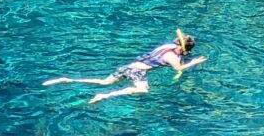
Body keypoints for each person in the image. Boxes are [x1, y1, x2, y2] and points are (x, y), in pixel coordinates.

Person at [42, 30, 205, 104]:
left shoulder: (167, 46)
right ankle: (105, 96)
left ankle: (67, 80)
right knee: (142, 90)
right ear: (184, 49)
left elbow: (176, 55)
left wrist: (182, 54)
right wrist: (194, 62)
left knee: (103, 81)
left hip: (128, 66)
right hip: (138, 71)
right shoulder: (171, 56)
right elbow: (178, 68)